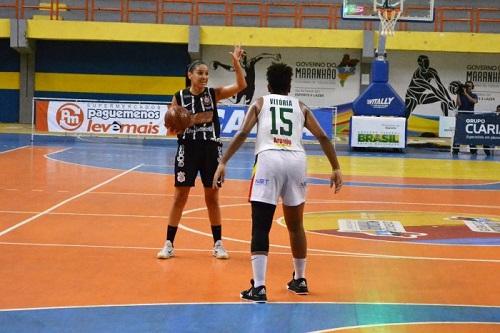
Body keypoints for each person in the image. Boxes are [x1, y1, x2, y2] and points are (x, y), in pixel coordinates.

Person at [211, 63, 343, 302]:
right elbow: (323, 135)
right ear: (289, 86)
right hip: (296, 161)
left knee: (261, 225)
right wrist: (335, 167)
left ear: (268, 85)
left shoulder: (260, 103)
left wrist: (223, 161)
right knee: (296, 225)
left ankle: (259, 287)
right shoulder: (300, 106)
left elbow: (242, 133)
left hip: (269, 159)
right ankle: (300, 279)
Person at [157, 46, 247, 260]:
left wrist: (237, 66)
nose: (205, 76)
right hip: (187, 149)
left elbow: (242, 85)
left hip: (210, 149)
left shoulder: (212, 94)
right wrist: (176, 124)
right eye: (200, 73)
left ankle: (218, 244)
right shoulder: (178, 96)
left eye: (207, 73)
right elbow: (171, 128)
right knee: (180, 197)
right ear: (190, 75)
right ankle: (169, 243)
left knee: (212, 198)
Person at [212, 51, 281, 105]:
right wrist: (219, 64)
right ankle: (221, 97)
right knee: (235, 101)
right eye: (241, 56)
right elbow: (230, 68)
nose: (242, 57)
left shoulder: (250, 63)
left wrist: (272, 55)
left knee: (247, 104)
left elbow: (261, 56)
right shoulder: (238, 66)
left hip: (250, 88)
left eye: (243, 56)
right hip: (242, 88)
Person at [404, 55, 455, 119]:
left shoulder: (432, 72)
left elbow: (441, 86)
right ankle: (402, 125)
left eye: (427, 63)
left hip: (420, 96)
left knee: (442, 98)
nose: (426, 67)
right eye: (424, 64)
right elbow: (432, 88)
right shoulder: (417, 77)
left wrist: (449, 100)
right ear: (420, 65)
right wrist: (448, 102)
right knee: (409, 109)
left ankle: (445, 120)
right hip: (411, 95)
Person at [452, 80, 479, 155]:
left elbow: (474, 101)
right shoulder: (461, 95)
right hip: (461, 116)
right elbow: (459, 104)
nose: (468, 87)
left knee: (470, 133)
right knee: (458, 132)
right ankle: (456, 149)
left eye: (469, 86)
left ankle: (473, 150)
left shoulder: (474, 95)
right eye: (466, 86)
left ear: (472, 87)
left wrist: (466, 94)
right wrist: (458, 94)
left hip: (470, 116)